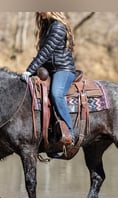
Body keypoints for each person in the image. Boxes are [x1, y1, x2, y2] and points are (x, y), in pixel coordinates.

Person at [21, 12, 76, 145]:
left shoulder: (57, 27)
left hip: (63, 69)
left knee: (56, 94)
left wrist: (29, 70)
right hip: (50, 69)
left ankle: (69, 133)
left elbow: (46, 51)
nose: (39, 12)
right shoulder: (47, 26)